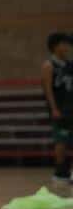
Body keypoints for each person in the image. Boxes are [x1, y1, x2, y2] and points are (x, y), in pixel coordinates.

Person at [42, 32, 73, 185]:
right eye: (63, 44)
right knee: (61, 140)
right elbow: (48, 89)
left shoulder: (69, 65)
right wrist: (53, 108)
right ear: (55, 47)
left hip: (70, 106)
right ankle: (60, 171)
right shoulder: (49, 65)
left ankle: (70, 172)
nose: (66, 47)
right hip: (59, 108)